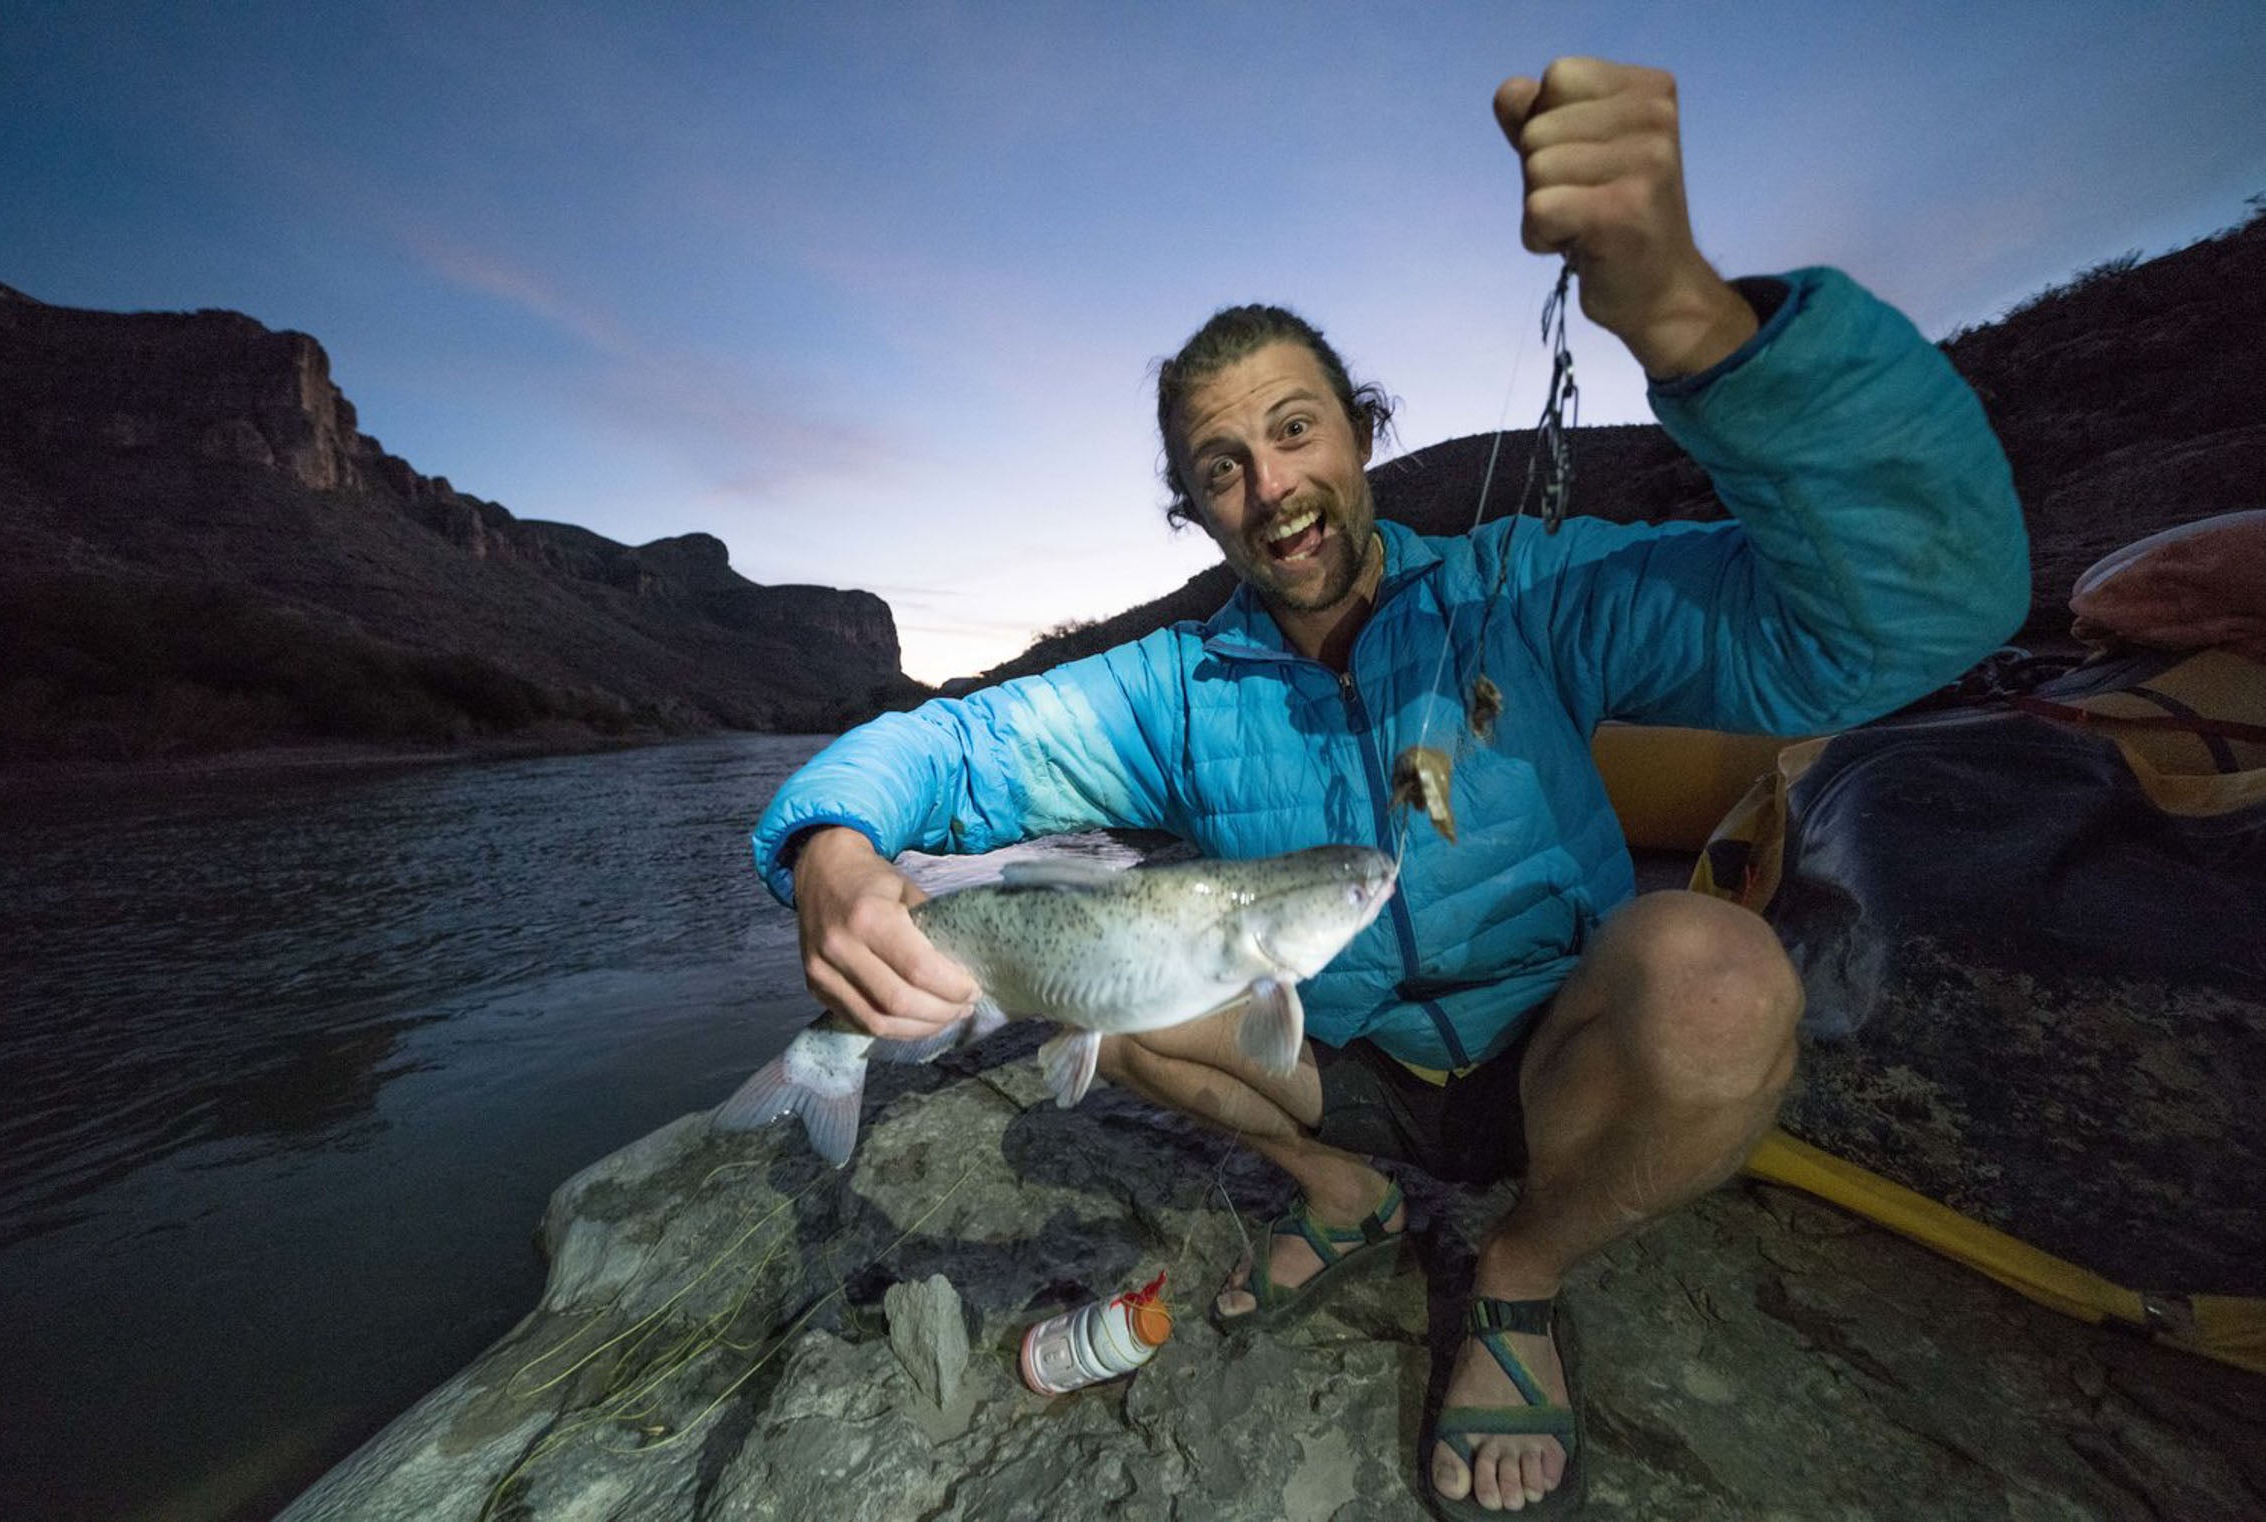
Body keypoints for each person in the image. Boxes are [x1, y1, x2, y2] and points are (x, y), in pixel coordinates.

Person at [748, 57, 2028, 1519]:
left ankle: (1523, 1268)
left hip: (1555, 1050)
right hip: (1332, 1066)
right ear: (1194, 506)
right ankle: (1337, 1190)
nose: (1272, 484)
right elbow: (953, 747)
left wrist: (1695, 323)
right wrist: (831, 847)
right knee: (1101, 962)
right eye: (1221, 466)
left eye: (1296, 429)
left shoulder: (1533, 595)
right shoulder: (1170, 687)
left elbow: (1920, 611)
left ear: (1360, 432)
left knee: (1724, 980)